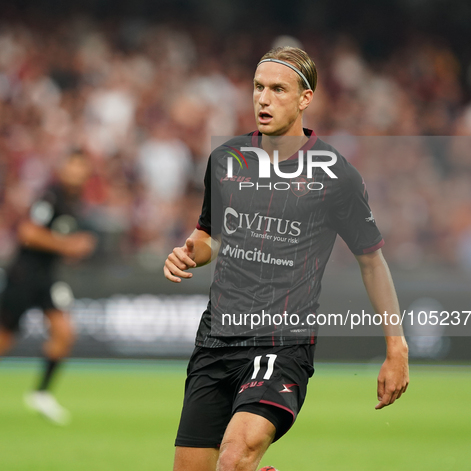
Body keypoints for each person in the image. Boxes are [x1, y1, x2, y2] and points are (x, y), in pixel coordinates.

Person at [163, 47, 409, 471]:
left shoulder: (335, 175)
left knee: (236, 457)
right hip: (216, 339)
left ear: (305, 99)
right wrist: (189, 253)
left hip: (282, 342)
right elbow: (212, 236)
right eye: (258, 88)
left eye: (278, 89)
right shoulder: (226, 160)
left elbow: (371, 261)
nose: (263, 99)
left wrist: (396, 346)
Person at [0, 150, 97, 427]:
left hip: (47, 277)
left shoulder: (75, 203)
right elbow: (28, 233)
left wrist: (78, 246)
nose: (77, 172)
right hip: (23, 276)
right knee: (2, 337)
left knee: (64, 331)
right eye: (73, 166)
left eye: (82, 168)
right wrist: (68, 245)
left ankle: (40, 393)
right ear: (64, 168)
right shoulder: (50, 196)